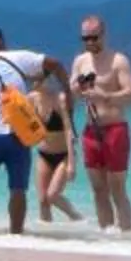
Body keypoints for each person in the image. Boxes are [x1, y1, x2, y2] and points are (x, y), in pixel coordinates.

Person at [0, 24, 71, 238]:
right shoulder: (18, 58)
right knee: (18, 188)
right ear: (0, 41)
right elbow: (55, 64)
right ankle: (16, 235)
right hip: (18, 136)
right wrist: (67, 92)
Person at [71, 14, 131, 232]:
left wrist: (105, 96)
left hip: (115, 128)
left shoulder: (118, 60)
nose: (90, 42)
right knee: (98, 189)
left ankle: (126, 235)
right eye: (85, 38)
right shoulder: (80, 61)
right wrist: (77, 89)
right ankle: (106, 236)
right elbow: (72, 90)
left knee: (117, 187)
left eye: (94, 37)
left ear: (104, 35)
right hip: (91, 129)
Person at [34, 77, 82, 224]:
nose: (34, 82)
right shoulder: (31, 98)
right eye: (32, 79)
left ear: (47, 80)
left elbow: (68, 130)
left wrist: (71, 165)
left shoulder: (60, 99)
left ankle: (78, 218)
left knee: (53, 195)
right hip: (44, 154)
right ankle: (46, 238)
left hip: (64, 155)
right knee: (43, 200)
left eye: (38, 79)